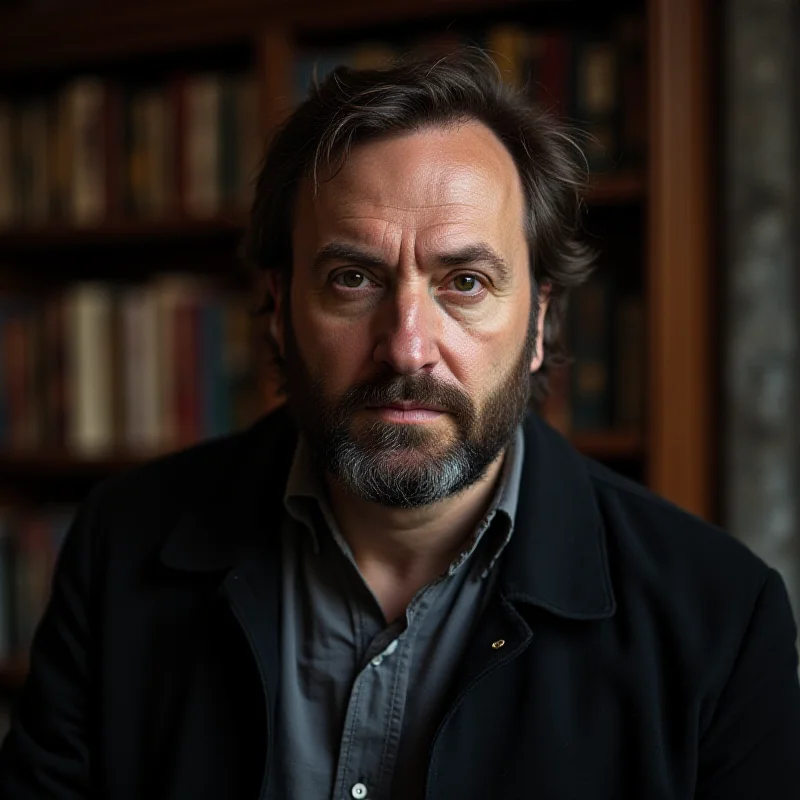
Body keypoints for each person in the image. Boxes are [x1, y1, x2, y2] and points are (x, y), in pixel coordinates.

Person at [1, 52, 799, 800]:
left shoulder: (721, 620)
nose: (407, 347)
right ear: (279, 310)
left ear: (539, 321)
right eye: (352, 278)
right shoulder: (122, 544)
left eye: (465, 281)